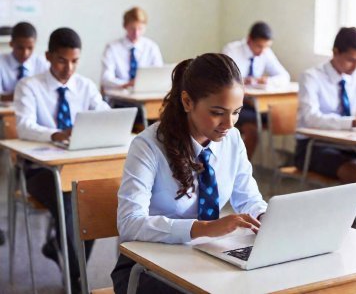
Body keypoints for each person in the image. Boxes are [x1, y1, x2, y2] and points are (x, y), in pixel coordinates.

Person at [111, 53, 267, 294]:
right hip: (145, 266)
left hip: (206, 254)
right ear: (187, 102)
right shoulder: (148, 146)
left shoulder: (232, 139)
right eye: (217, 112)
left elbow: (248, 198)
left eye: (236, 112)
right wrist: (202, 228)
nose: (229, 123)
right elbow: (129, 223)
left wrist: (266, 218)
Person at [14, 27, 110, 293]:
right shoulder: (29, 86)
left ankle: (71, 267)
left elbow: (103, 113)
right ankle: (74, 277)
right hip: (38, 169)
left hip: (78, 165)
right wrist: (57, 134)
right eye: (61, 60)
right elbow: (23, 126)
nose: (68, 68)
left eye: (75, 61)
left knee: (94, 200)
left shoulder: (86, 86)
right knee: (70, 200)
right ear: (48, 56)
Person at [296, 27, 356, 215]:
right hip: (313, 147)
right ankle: (354, 222)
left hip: (349, 146)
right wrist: (355, 123)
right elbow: (311, 118)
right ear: (335, 52)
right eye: (351, 59)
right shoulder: (311, 77)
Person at [222, 21, 290, 159]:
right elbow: (224, 80)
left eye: (266, 47)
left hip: (254, 105)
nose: (262, 51)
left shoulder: (266, 52)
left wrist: (267, 81)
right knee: (253, 127)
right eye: (259, 46)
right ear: (249, 40)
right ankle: (238, 167)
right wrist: (241, 81)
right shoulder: (231, 50)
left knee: (276, 116)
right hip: (234, 105)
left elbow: (284, 76)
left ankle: (246, 167)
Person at [101, 6, 163, 89]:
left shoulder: (152, 47)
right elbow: (106, 79)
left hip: (145, 94)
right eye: (132, 29)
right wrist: (127, 84)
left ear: (145, 27)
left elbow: (158, 75)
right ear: (125, 26)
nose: (136, 33)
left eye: (140, 29)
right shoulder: (112, 48)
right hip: (119, 96)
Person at [0, 22, 48, 101]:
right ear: (11, 44)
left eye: (30, 48)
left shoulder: (41, 62)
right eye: (20, 48)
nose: (25, 53)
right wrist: (24, 94)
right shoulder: (1, 63)